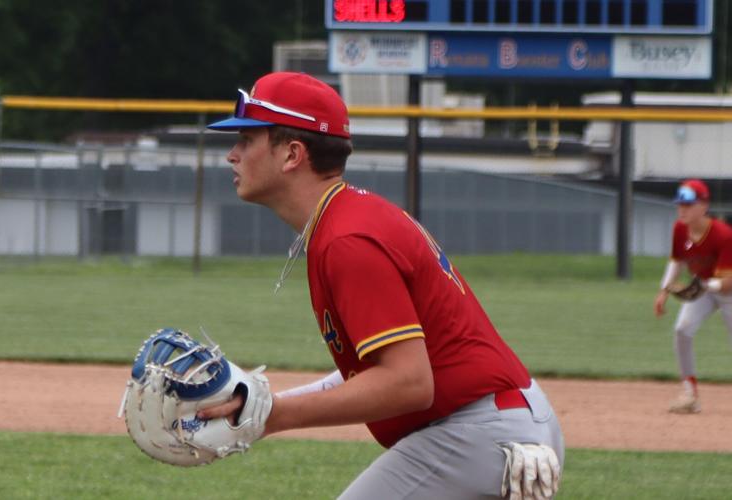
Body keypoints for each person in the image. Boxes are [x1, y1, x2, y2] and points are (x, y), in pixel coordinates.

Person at [199, 72, 564, 499]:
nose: (233, 154)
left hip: (479, 432)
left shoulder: (348, 240)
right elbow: (378, 371)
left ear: (292, 154)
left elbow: (408, 382)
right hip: (491, 424)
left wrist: (274, 414)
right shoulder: (348, 219)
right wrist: (263, 405)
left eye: (247, 139)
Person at [654, 179, 732, 414]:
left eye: (689, 204)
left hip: (727, 290)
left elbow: (728, 284)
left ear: (704, 206)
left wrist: (706, 285)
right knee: (682, 330)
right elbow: (676, 260)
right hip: (704, 288)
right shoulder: (679, 229)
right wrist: (663, 291)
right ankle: (689, 394)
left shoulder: (723, 235)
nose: (682, 209)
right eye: (680, 204)